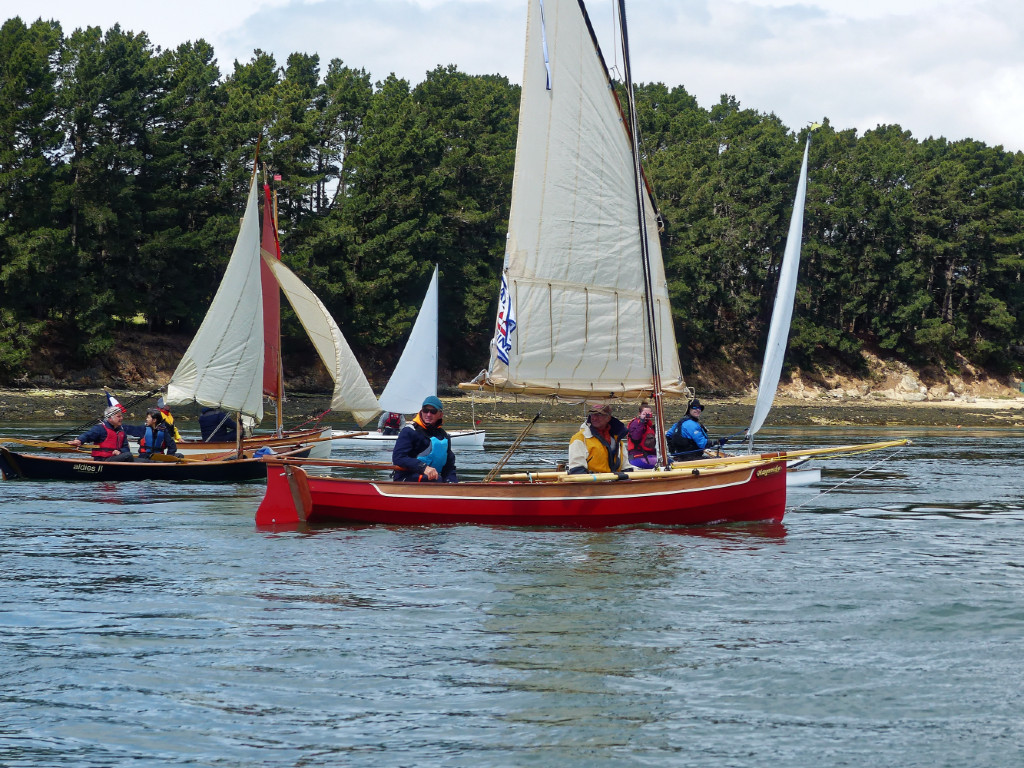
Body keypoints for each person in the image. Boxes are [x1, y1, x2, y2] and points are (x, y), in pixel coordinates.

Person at [391, 396, 458, 482]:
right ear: (421, 412)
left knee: (447, 481)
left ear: (440, 415)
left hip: (434, 479)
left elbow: (449, 467)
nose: (428, 414)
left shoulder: (444, 436)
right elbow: (398, 458)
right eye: (425, 410)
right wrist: (423, 467)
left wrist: (452, 482)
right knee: (436, 480)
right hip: (406, 478)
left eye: (433, 411)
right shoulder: (409, 431)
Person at [567, 402, 630, 475]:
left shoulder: (617, 440)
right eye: (592, 414)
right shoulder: (579, 439)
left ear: (608, 418)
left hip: (614, 483)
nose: (594, 418)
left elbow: (626, 468)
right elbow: (577, 470)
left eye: (599, 414)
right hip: (591, 484)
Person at [68, 406, 134, 462]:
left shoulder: (121, 431)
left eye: (121, 416)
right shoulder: (100, 428)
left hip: (116, 459)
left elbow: (126, 448)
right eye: (118, 416)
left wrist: (120, 451)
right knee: (128, 455)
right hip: (103, 460)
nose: (121, 418)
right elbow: (88, 435)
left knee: (143, 460)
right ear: (110, 418)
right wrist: (79, 440)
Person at [626, 402, 659, 469]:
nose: (646, 416)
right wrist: (642, 422)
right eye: (644, 414)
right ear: (639, 414)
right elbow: (635, 438)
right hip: (637, 456)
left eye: (648, 414)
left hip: (648, 455)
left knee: (668, 461)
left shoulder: (649, 425)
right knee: (664, 463)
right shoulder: (635, 424)